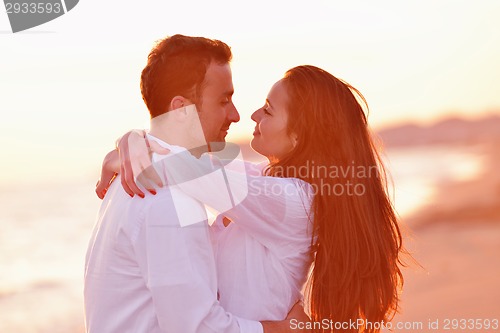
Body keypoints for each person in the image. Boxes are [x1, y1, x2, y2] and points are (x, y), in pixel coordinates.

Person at [98, 63, 409, 332]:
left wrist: (136, 150)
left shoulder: (292, 200)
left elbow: (195, 171)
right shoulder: (269, 180)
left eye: (268, 110)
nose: (253, 114)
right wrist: (134, 139)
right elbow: (203, 163)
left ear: (299, 135)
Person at [86, 34, 306, 333]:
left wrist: (134, 139)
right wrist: (286, 329)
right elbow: (198, 328)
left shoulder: (129, 181)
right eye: (223, 100)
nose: (236, 115)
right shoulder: (167, 197)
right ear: (180, 110)